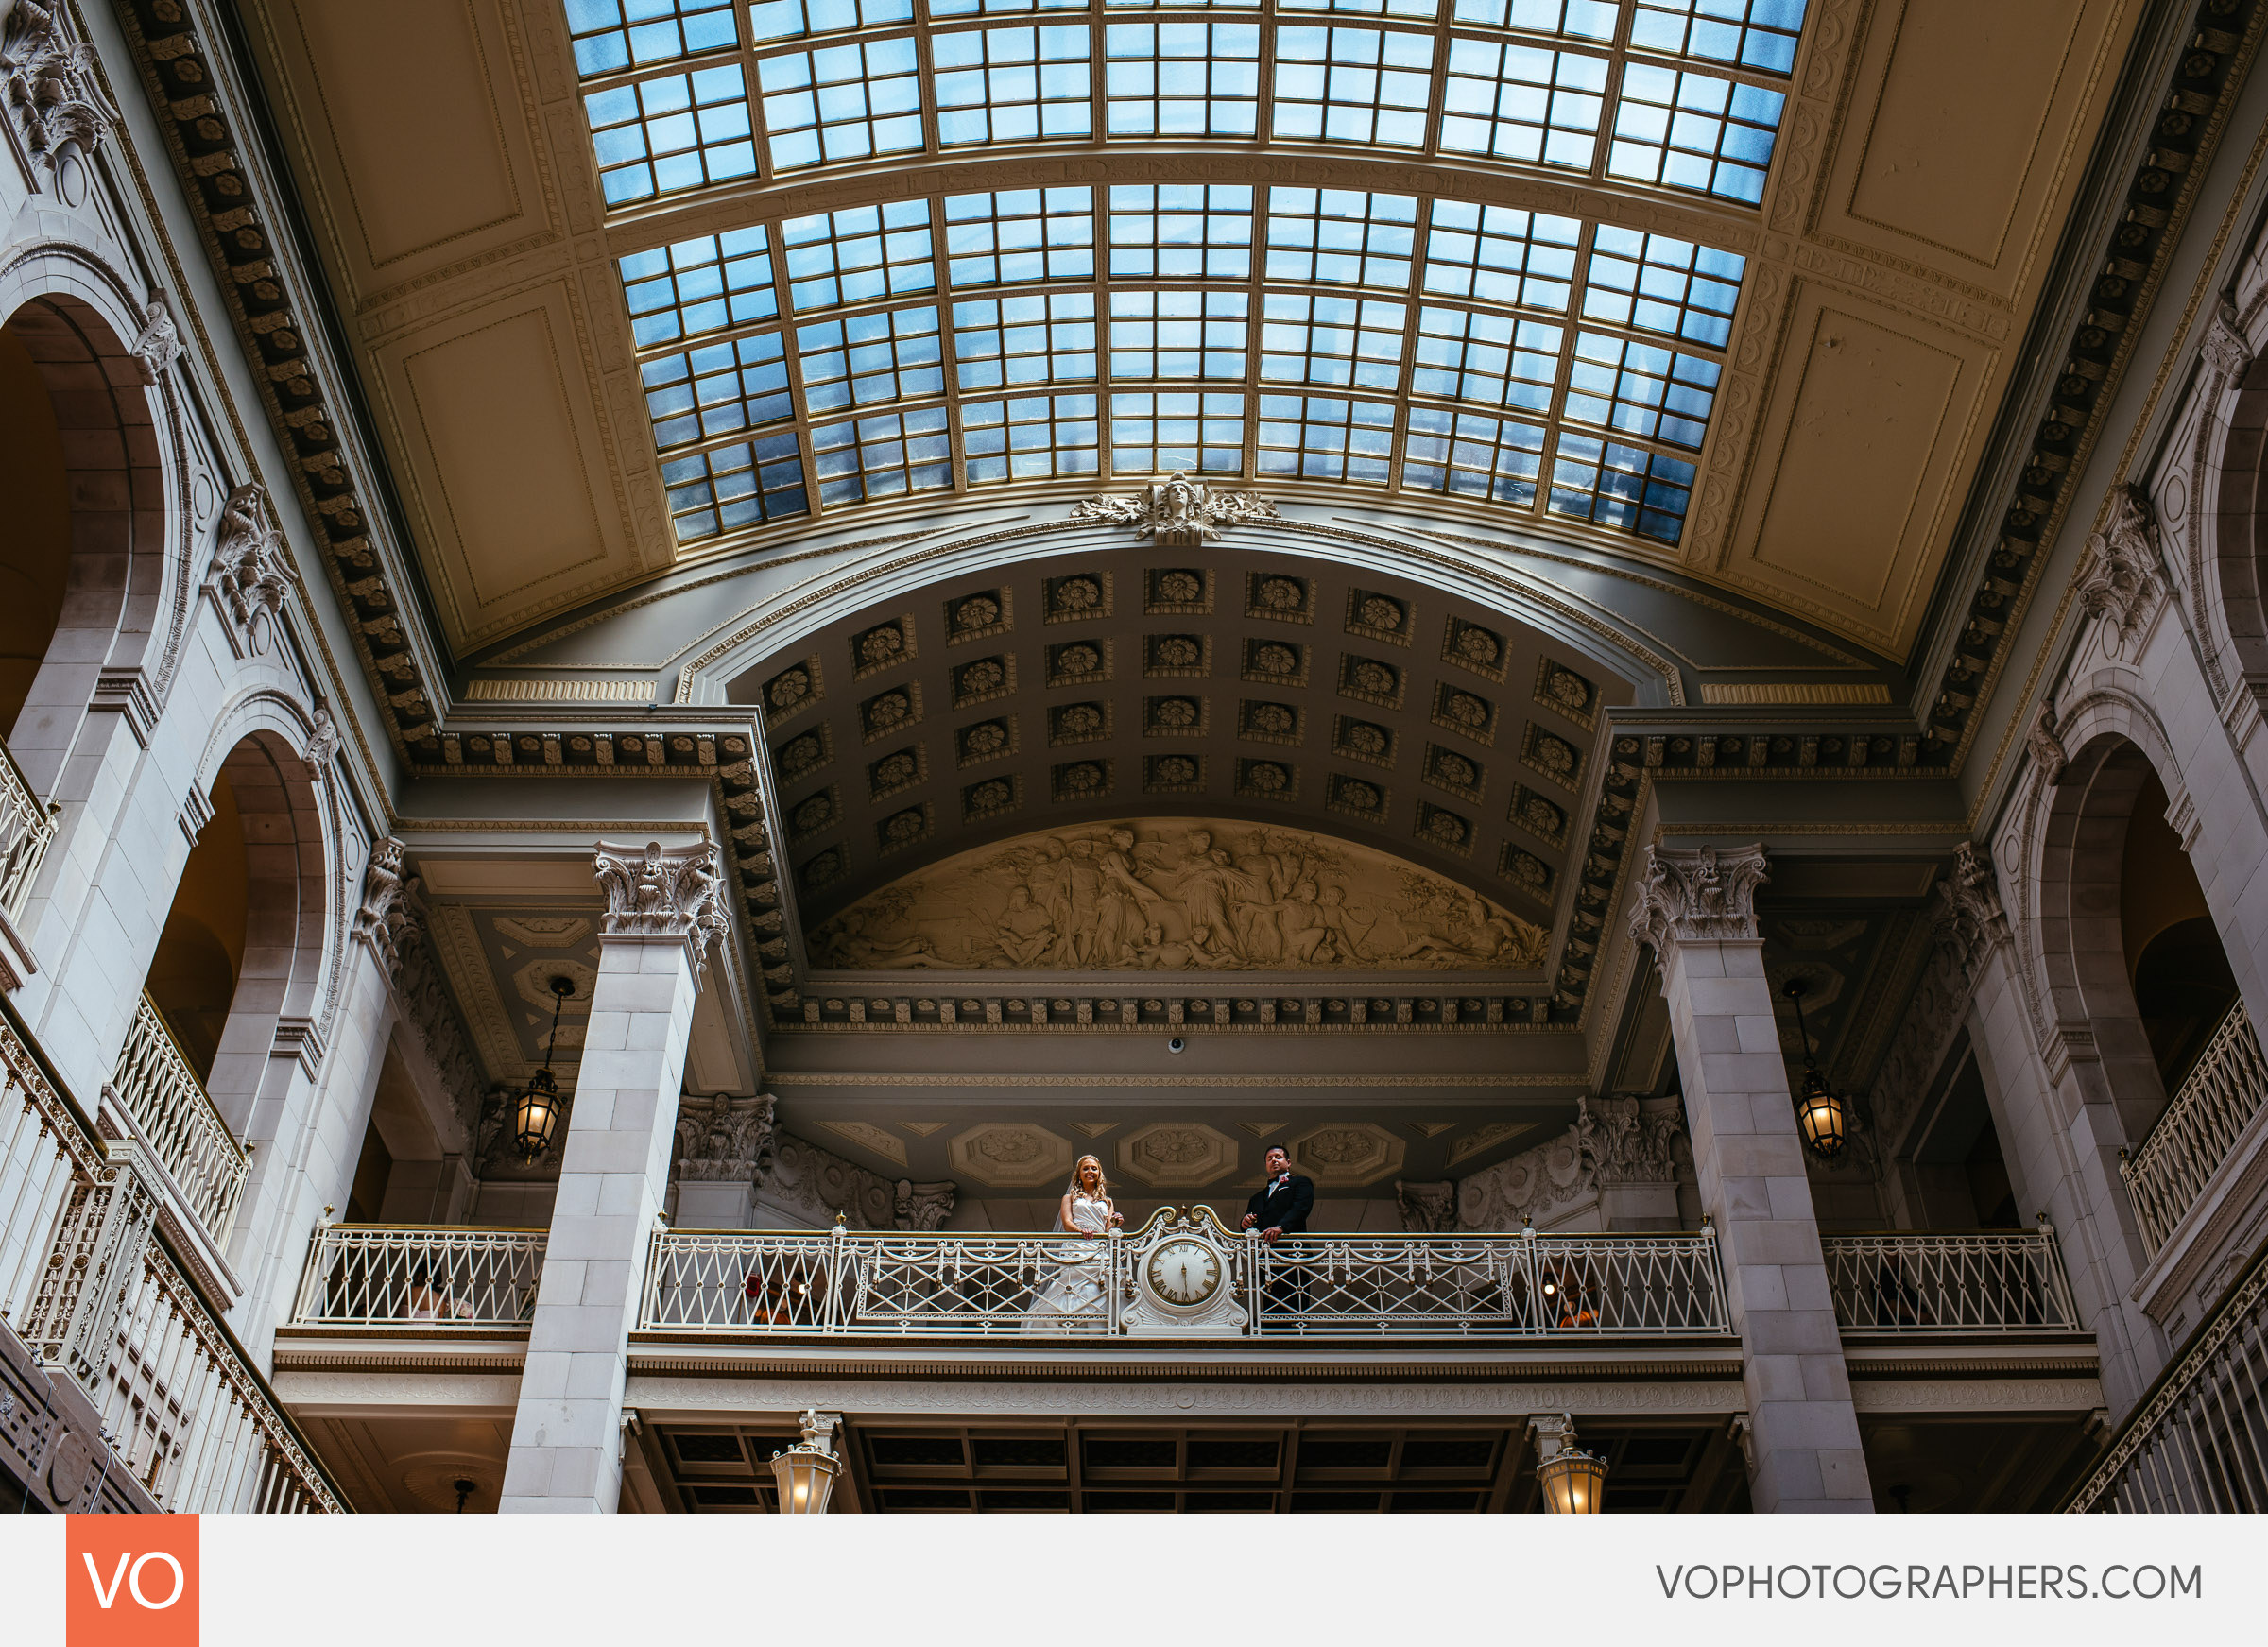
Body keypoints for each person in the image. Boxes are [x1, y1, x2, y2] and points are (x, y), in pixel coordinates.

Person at [1025, 1155, 1122, 1325]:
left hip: (1098, 1248)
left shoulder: (1107, 1201)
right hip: (1077, 1246)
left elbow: (1107, 1229)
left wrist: (1115, 1222)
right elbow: (1067, 1222)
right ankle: (1068, 1319)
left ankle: (1093, 1322)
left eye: (1094, 1168)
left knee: (1099, 1285)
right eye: (1085, 1168)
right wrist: (1081, 1231)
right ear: (1079, 1174)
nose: (1090, 1171)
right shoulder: (1069, 1198)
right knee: (1072, 1283)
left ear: (1099, 1173)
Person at [1242, 1147, 1314, 1318]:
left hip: (1293, 1253)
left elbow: (1301, 1208)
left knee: (1296, 1303)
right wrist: (1244, 1223)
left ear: (1288, 1163)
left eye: (1278, 1157)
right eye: (1269, 1158)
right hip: (1266, 1258)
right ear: (1266, 1165)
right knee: (1270, 1306)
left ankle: (1298, 1337)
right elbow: (1248, 1223)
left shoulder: (1300, 1183)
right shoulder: (1257, 1197)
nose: (1274, 1160)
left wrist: (1281, 1227)